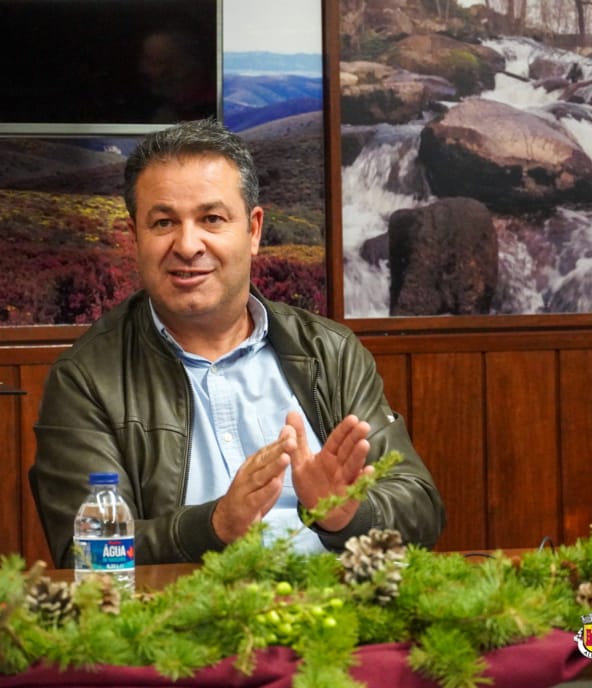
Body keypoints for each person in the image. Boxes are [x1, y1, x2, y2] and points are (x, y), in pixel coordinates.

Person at [31, 118, 445, 567]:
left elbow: (421, 507)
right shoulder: (87, 380)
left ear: (253, 231)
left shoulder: (330, 352)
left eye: (212, 219)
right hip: (183, 622)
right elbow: (84, 555)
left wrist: (345, 514)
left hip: (336, 612)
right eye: (164, 222)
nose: (188, 245)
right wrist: (214, 527)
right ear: (135, 237)